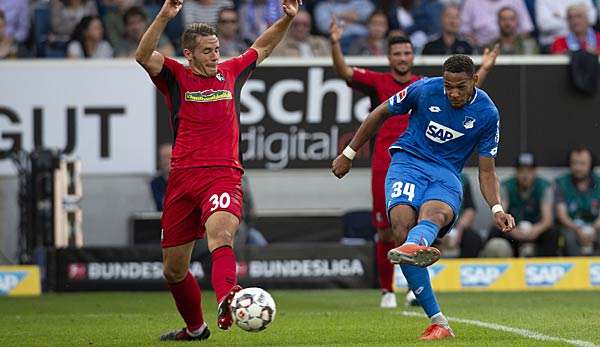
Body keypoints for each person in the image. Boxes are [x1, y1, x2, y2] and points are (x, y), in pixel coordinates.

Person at [135, 0, 300, 341]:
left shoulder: (232, 72)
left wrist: (287, 18)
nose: (214, 56)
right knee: (174, 269)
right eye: (207, 51)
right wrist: (165, 15)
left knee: (222, 235)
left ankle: (228, 296)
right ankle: (195, 330)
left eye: (217, 50)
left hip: (222, 173)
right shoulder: (174, 76)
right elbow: (142, 56)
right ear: (189, 54)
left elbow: (264, 45)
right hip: (181, 179)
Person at [332, 55, 516, 340]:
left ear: (475, 81)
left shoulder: (488, 113)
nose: (453, 93)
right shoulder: (425, 89)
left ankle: (416, 246)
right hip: (408, 162)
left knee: (435, 214)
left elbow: (487, 171)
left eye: (461, 87)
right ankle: (439, 321)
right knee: (401, 224)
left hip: (446, 175)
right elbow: (380, 112)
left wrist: (496, 208)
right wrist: (349, 152)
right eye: (448, 86)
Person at [484, 153, 557, 257]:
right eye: (521, 171)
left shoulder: (544, 187)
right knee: (495, 231)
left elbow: (548, 219)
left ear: (535, 171)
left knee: (552, 234)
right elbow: (499, 216)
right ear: (516, 172)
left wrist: (535, 230)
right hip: (512, 230)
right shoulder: (506, 186)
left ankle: (546, 269)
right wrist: (513, 231)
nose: (525, 175)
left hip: (536, 230)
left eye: (529, 171)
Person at [555, 147, 600, 256]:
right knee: (567, 237)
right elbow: (562, 215)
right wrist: (578, 230)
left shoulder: (598, 182)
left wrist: (593, 229)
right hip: (571, 227)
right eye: (575, 163)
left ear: (591, 165)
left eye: (582, 164)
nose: (578, 168)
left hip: (595, 226)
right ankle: (575, 271)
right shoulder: (561, 183)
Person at [439, 174, 482, 258]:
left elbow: (470, 208)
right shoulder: (429, 174)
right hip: (434, 224)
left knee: (473, 239)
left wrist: (460, 229)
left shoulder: (463, 179)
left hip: (457, 226)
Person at [460, 0, 533, 48]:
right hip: (480, 49)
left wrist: (512, 44)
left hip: (514, 47)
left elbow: (526, 29)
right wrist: (479, 46)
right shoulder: (471, 2)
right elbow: (463, 30)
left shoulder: (516, 1)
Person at [150, 143, 172, 211]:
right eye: (164, 157)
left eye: (169, 156)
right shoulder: (154, 183)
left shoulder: (185, 182)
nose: (167, 161)